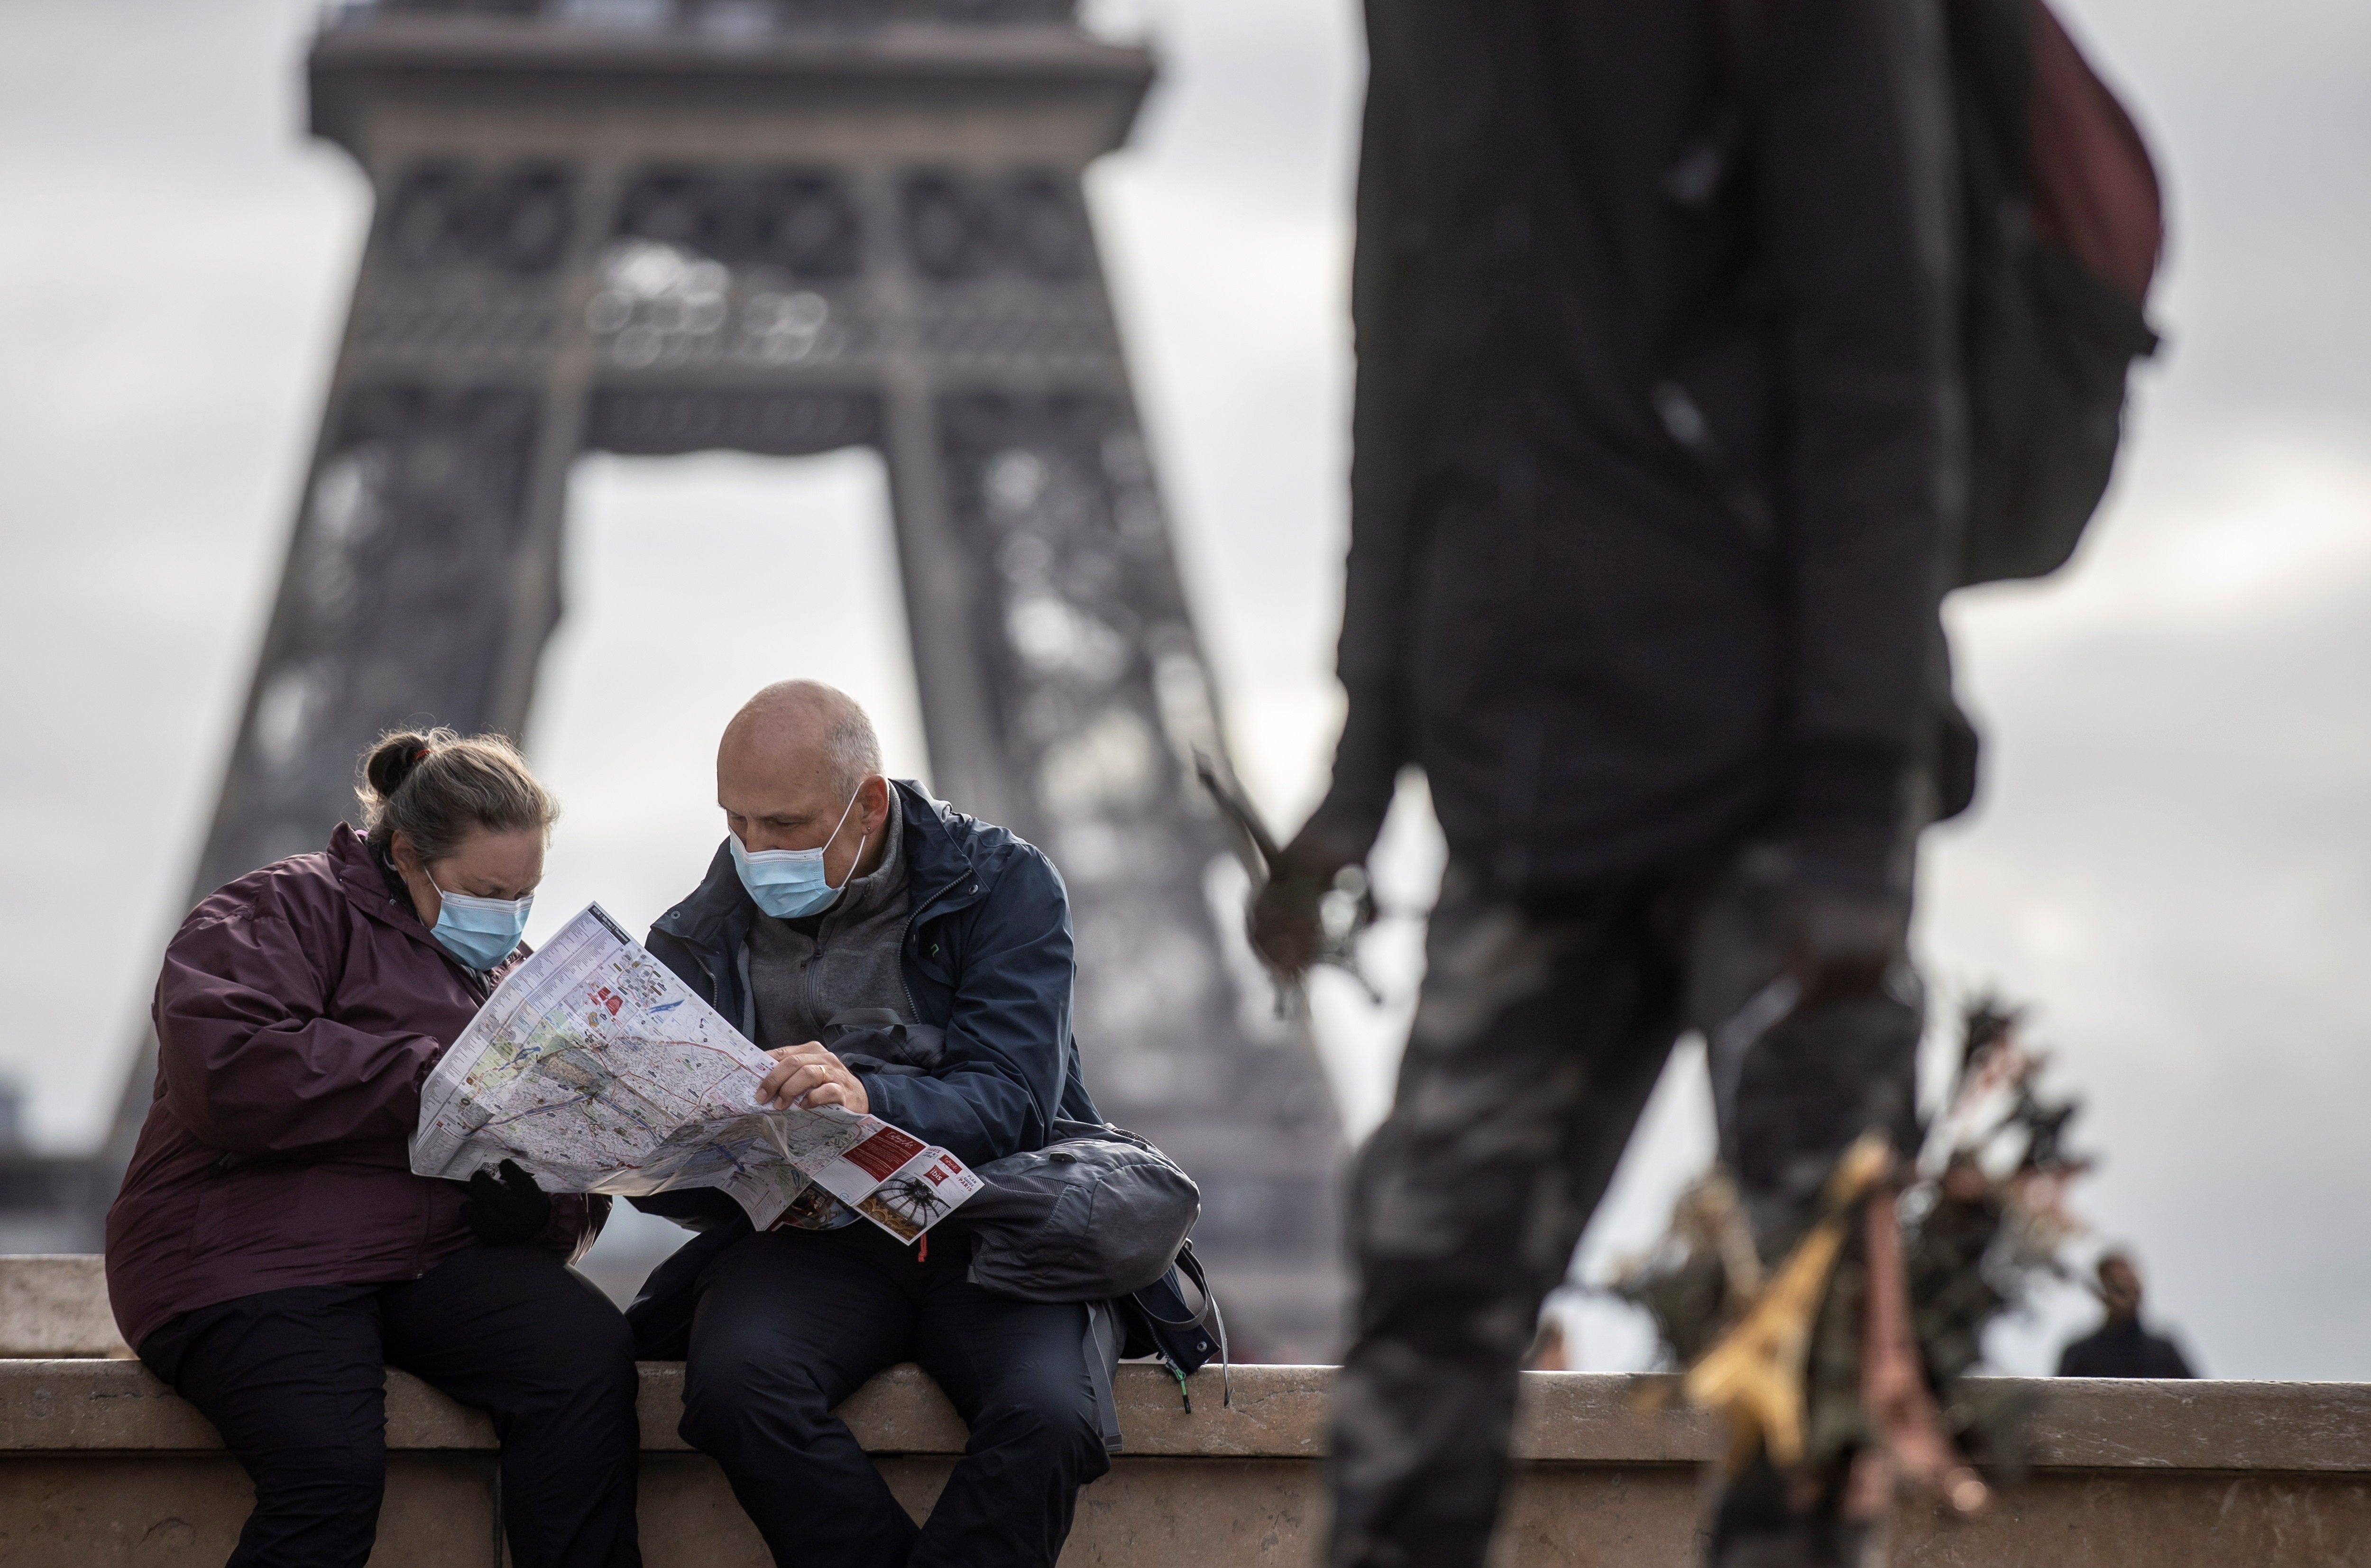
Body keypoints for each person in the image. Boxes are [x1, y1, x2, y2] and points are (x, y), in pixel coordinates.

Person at [1251, 4, 1975, 1565]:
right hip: (1526, 779)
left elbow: (1884, 367)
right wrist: (1365, 762)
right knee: (1425, 1300)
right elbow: (1405, 356)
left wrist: (1859, 798)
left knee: (1803, 1338)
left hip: (1777, 777)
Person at [106, 730, 641, 1568]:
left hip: (426, 1258)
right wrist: (433, 1078)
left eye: (524, 895)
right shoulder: (279, 907)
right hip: (251, 1254)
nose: (507, 917)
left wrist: (542, 1211)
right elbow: (226, 1066)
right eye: (486, 891)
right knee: (328, 1467)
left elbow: (570, 1155)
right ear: (406, 854)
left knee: (585, 1361)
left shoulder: (517, 978)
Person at [629, 679, 1110, 1568]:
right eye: (736, 823)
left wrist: (867, 1099)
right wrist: (640, 1145)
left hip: (986, 1229)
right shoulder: (694, 937)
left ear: (870, 804)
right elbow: (696, 1195)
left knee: (1049, 1418)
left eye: (783, 824)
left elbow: (1013, 1098)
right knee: (735, 1388)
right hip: (819, 1239)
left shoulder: (1003, 883)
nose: (753, 849)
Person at [2057, 1253, 2196, 1379]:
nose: (2129, 1298)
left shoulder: (2163, 1353)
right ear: (2102, 1294)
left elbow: (2199, 1400)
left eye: (2133, 1288)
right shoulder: (2081, 1355)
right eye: (2120, 1290)